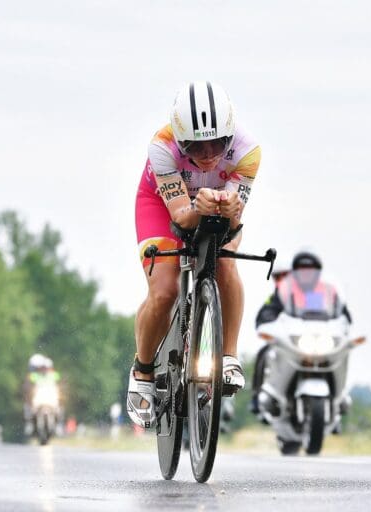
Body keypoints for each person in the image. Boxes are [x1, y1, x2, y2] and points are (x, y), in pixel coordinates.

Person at [127, 81, 261, 427]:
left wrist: (230, 209)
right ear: (180, 139)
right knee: (165, 290)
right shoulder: (162, 147)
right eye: (196, 147)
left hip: (213, 204)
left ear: (229, 136)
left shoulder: (248, 152)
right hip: (162, 204)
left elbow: (234, 219)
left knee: (226, 262)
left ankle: (228, 357)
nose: (207, 155)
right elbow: (182, 218)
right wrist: (196, 206)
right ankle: (142, 370)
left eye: (217, 144)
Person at [249, 250, 351, 414]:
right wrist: (269, 322)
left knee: (342, 353)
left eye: (310, 270)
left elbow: (343, 314)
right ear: (295, 273)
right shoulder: (284, 292)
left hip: (322, 339)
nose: (306, 274)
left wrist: (344, 325)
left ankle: (339, 398)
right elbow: (268, 311)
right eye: (301, 270)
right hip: (295, 340)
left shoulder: (327, 291)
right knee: (264, 352)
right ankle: (257, 396)